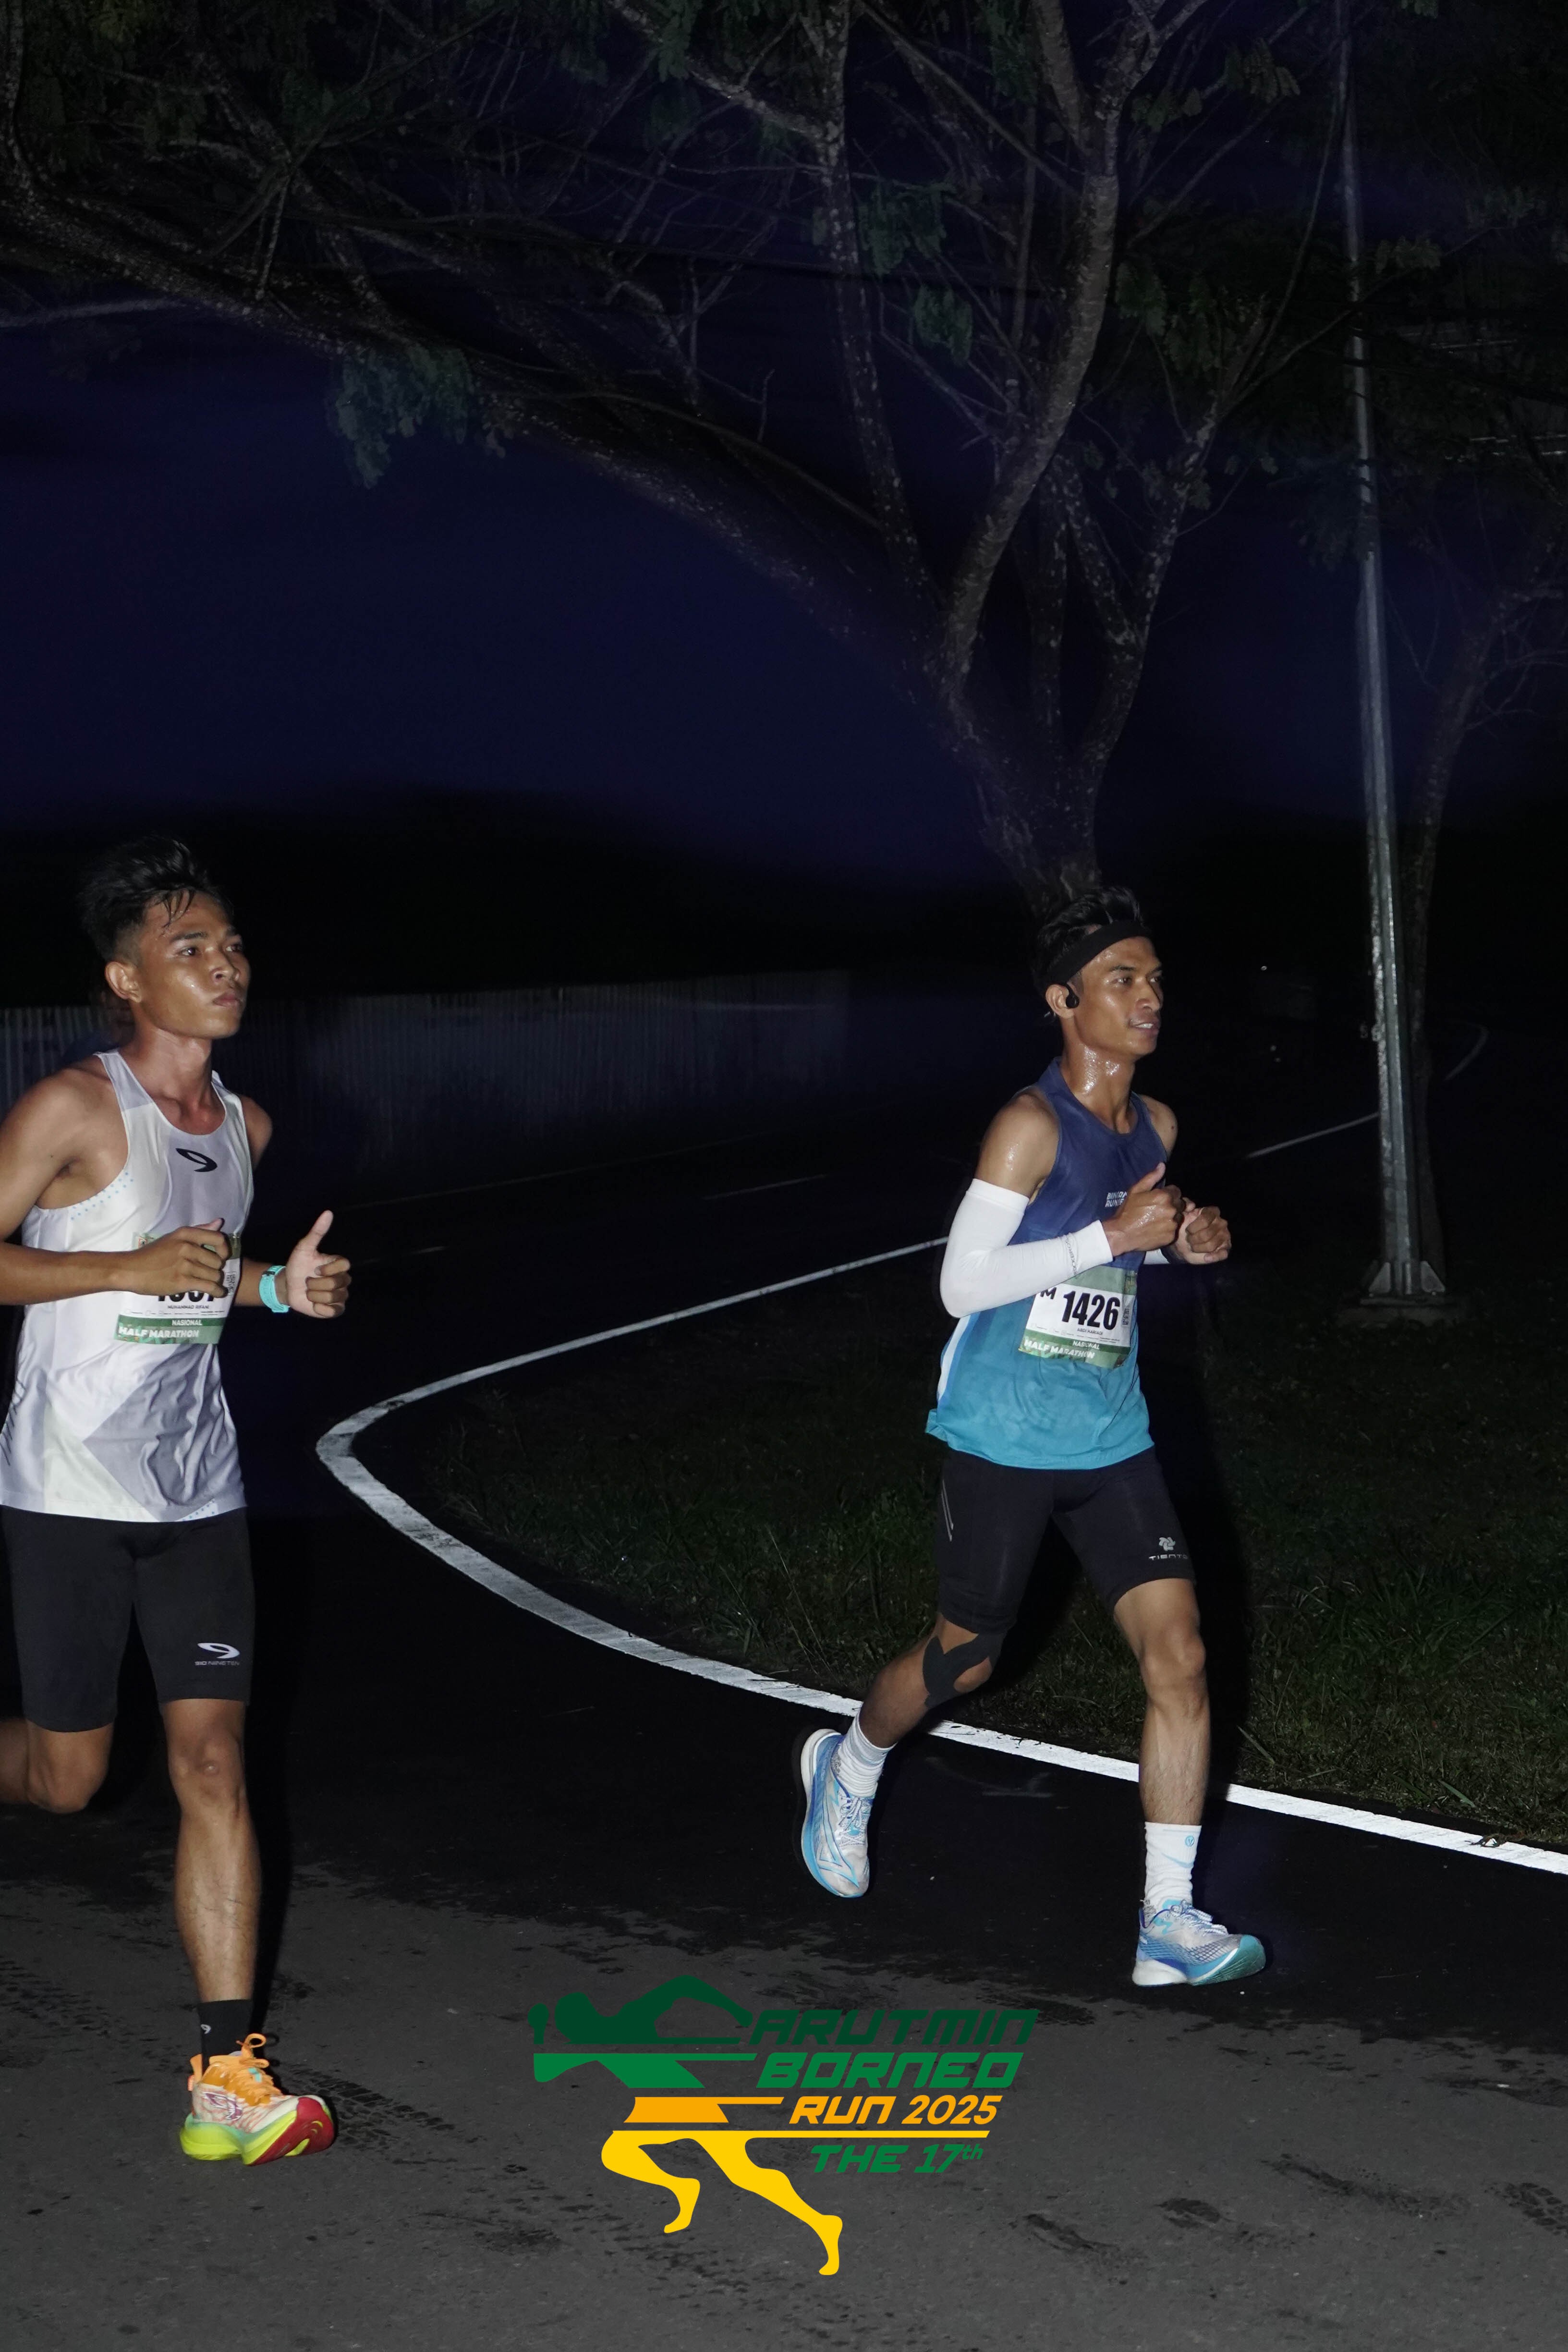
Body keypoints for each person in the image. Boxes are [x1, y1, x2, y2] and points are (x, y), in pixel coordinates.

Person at [797, 885, 1264, 1988]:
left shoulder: (1155, 1127)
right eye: (1121, 979)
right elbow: (962, 1284)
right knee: (966, 1657)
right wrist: (1112, 1231)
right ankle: (848, 1765)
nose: (1148, 997)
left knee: (1181, 1654)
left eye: (1154, 978)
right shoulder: (1029, 1127)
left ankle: (1166, 1920)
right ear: (1063, 1001)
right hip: (1003, 1435)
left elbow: (1121, 1248)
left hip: (1110, 1434)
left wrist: (1176, 1246)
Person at [0, 838, 350, 2159]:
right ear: (126, 979)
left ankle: (226, 2080)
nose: (226, 965)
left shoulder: (245, 1129)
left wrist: (276, 1291)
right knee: (70, 1779)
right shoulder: (73, 1110)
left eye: (232, 943)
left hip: (197, 1488)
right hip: (68, 1485)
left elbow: (199, 1275)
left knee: (211, 1760)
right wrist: (118, 1267)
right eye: (190, 948)